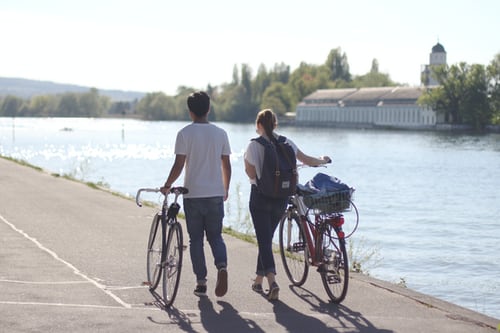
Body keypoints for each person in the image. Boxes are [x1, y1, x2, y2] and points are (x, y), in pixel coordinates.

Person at [244, 109, 330, 301]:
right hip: (281, 198)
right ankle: (258, 281)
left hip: (260, 197)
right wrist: (323, 160)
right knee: (266, 239)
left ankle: (272, 281)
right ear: (275, 124)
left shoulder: (253, 146)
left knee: (264, 240)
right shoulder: (287, 143)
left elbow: (250, 175)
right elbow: (307, 160)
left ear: (258, 125)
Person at [160, 91, 231, 298]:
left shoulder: (184, 134)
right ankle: (222, 267)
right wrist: (225, 189)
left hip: (193, 195)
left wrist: (167, 185)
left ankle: (201, 282)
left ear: (190, 112)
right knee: (216, 236)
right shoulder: (221, 133)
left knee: (196, 240)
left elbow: (179, 164)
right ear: (209, 109)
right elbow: (226, 165)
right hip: (215, 194)